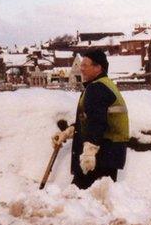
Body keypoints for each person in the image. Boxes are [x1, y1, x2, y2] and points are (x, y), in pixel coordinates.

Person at [51, 49, 129, 189]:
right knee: (98, 197)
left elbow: (97, 122)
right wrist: (68, 132)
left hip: (102, 154)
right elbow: (89, 117)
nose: (81, 68)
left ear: (98, 67)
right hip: (109, 153)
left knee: (79, 196)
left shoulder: (97, 88)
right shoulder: (103, 85)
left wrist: (89, 152)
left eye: (85, 65)